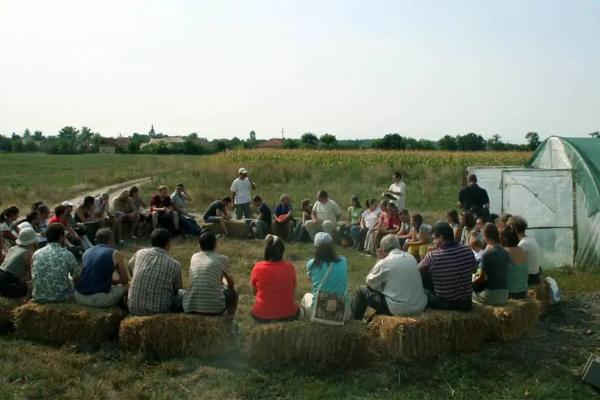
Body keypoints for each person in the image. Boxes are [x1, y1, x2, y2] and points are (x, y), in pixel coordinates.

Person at [353, 234, 427, 319]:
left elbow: (369, 284)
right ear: (398, 246)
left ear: (383, 250)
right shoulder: (411, 257)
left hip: (399, 309)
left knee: (360, 291)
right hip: (419, 305)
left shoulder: (385, 262)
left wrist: (379, 259)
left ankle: (356, 320)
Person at [419, 222, 476, 311]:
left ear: (441, 237)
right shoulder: (468, 250)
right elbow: (474, 270)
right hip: (466, 302)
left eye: (434, 239)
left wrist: (428, 254)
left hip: (446, 303)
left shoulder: (433, 255)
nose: (433, 242)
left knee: (425, 290)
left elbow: (417, 270)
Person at [127, 228, 183, 315]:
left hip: (133, 308)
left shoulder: (140, 253)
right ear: (168, 243)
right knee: (182, 295)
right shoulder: (174, 265)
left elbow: (130, 266)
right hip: (158, 311)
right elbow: (177, 289)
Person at [183, 231, 238, 315]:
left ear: (200, 245)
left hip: (191, 306)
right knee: (234, 292)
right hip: (215, 308)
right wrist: (224, 281)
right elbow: (231, 285)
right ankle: (229, 321)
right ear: (215, 244)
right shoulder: (223, 259)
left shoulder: (194, 257)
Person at [74, 228, 129, 308]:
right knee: (128, 285)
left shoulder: (86, 252)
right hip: (97, 299)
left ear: (96, 240)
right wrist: (112, 282)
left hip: (79, 296)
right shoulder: (115, 253)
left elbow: (84, 275)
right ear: (111, 240)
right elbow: (124, 280)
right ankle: (125, 309)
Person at [301, 232, 350, 320]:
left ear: (316, 247)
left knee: (306, 296)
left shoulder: (312, 264)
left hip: (318, 312)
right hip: (341, 314)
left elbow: (311, 281)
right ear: (332, 246)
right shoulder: (343, 261)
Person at [250, 235, 299, 323]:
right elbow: (293, 290)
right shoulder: (289, 267)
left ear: (266, 251)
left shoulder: (258, 267)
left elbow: (254, 291)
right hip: (288, 314)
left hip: (261, 315)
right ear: (282, 251)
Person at [31, 223, 81, 303]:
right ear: (61, 237)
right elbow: (77, 278)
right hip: (61, 299)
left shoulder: (36, 253)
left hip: (39, 297)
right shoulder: (67, 254)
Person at [472, 223, 509, 306]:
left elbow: (480, 278)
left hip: (491, 296)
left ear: (485, 236)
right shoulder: (505, 252)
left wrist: (470, 285)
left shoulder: (487, 254)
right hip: (505, 295)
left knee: (468, 294)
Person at [0, 228, 38, 298]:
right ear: (33, 242)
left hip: (2, 276)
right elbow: (33, 275)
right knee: (34, 283)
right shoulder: (28, 254)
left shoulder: (13, 248)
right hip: (8, 285)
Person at [508, 216, 542, 285]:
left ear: (513, 229)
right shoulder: (531, 239)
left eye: (510, 228)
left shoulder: (523, 244)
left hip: (529, 278)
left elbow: (515, 265)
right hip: (535, 275)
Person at [501, 223, 529, 299]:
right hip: (524, 292)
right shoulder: (523, 250)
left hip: (510, 294)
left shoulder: (503, 252)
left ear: (504, 238)